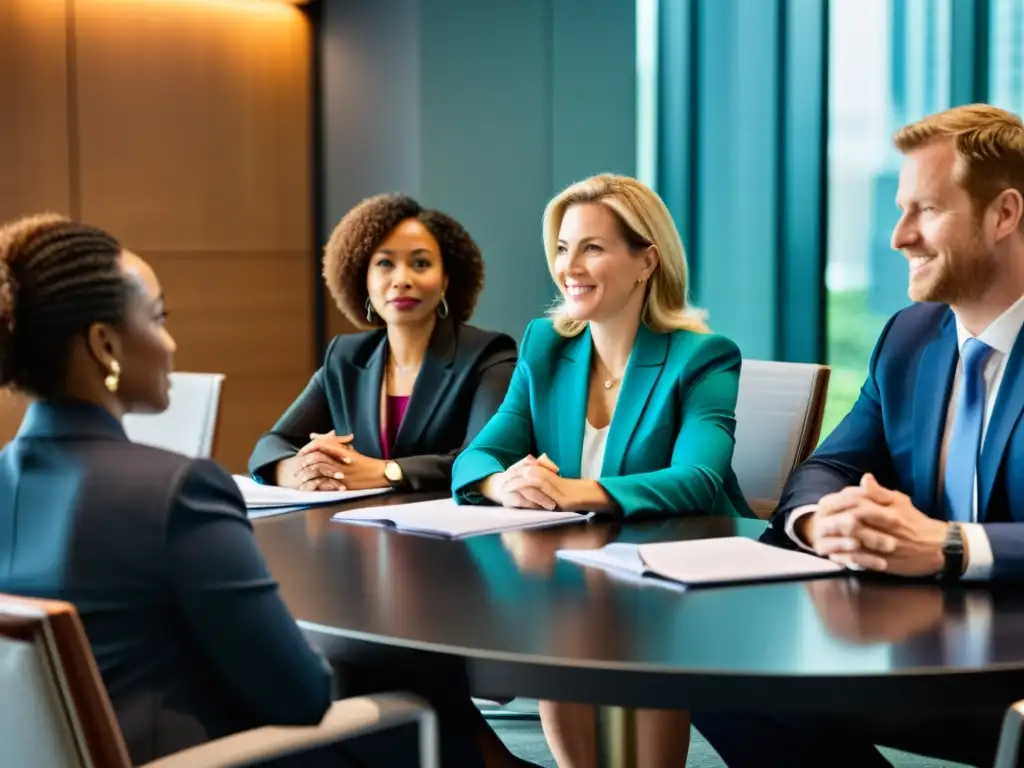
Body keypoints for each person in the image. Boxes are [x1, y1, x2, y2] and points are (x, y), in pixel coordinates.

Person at [0, 213, 495, 767]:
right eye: (159, 317)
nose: (170, 341)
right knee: (412, 699)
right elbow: (301, 694)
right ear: (105, 344)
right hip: (207, 755)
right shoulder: (178, 491)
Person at [693, 104, 1024, 766]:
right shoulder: (909, 337)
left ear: (1004, 215)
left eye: (925, 210)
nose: (899, 236)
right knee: (716, 673)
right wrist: (826, 522)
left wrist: (952, 545)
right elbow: (828, 467)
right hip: (930, 641)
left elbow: (946, 545)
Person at [452, 174, 754, 768]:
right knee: (560, 617)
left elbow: (697, 480)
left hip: (683, 578)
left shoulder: (703, 356)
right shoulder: (545, 346)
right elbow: (476, 457)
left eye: (592, 247)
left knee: (603, 632)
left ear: (646, 261)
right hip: (577, 573)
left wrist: (570, 492)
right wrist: (503, 482)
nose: (571, 267)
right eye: (563, 248)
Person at [248, 193, 517, 493]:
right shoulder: (346, 358)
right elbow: (271, 444)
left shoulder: (488, 356)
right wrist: (299, 470)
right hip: (359, 531)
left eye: (421, 263)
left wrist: (387, 471)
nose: (401, 279)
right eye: (385, 263)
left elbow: (485, 458)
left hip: (450, 531)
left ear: (445, 281)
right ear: (363, 278)